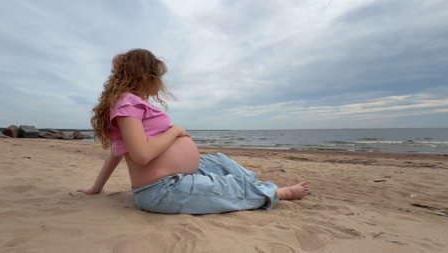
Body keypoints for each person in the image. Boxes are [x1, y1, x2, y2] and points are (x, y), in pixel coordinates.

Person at [77, 48, 310, 214]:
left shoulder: (132, 104)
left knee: (218, 160)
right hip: (161, 191)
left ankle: (255, 185)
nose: (160, 83)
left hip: (176, 178)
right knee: (225, 188)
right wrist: (175, 131)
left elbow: (117, 152)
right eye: (158, 77)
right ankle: (278, 193)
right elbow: (141, 155)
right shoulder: (127, 104)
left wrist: (96, 188)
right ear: (146, 76)